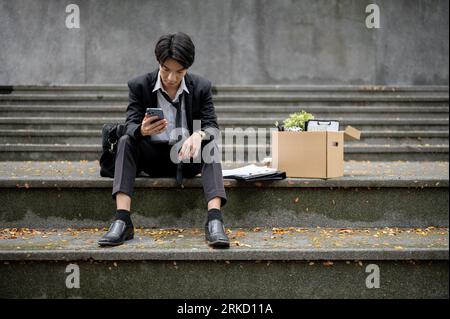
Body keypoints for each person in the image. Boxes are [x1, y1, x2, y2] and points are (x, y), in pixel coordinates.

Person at [98, 32, 230, 248]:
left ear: (188, 68)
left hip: (186, 158)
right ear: (158, 63)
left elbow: (212, 125)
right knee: (126, 141)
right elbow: (130, 124)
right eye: (166, 70)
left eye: (179, 72)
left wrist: (198, 135)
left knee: (210, 143)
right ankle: (122, 220)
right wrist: (141, 130)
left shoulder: (201, 87)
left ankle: (214, 221)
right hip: (150, 157)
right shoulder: (139, 85)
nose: (171, 78)